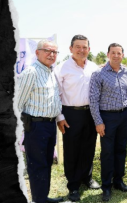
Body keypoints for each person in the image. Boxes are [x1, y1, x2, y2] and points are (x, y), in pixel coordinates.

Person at [16, 39, 63, 203]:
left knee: (47, 162)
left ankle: (43, 197)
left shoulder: (50, 71)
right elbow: (18, 102)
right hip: (35, 126)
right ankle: (38, 199)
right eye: (47, 51)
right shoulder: (31, 72)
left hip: (49, 125)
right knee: (37, 164)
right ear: (37, 53)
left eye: (55, 52)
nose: (52, 55)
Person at [54, 35, 100, 202]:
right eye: (78, 46)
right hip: (70, 113)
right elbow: (56, 94)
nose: (82, 50)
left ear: (89, 49)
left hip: (91, 113)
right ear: (71, 48)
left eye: (85, 47)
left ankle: (86, 178)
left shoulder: (94, 68)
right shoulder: (61, 68)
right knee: (72, 149)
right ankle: (73, 185)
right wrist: (60, 117)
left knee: (89, 147)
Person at [89, 43, 127, 202]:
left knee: (121, 149)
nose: (116, 55)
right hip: (107, 118)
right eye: (113, 53)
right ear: (108, 54)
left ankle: (118, 181)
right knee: (107, 152)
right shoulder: (98, 74)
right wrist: (98, 122)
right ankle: (106, 186)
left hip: (124, 116)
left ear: (122, 55)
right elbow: (93, 100)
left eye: (119, 53)